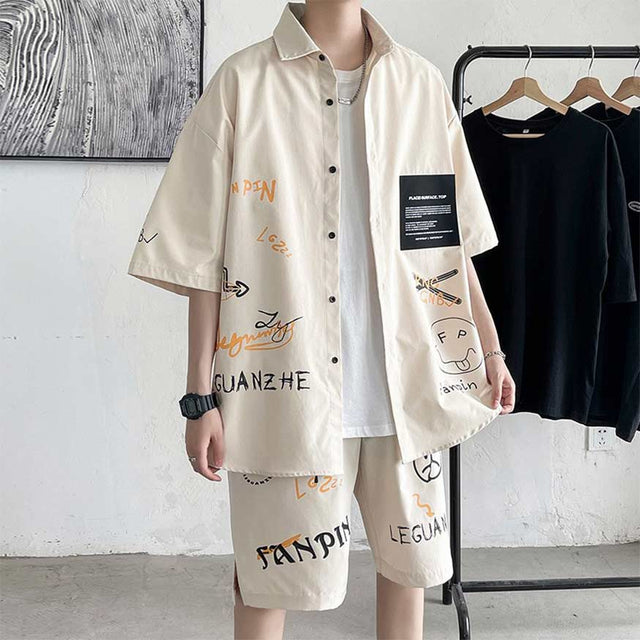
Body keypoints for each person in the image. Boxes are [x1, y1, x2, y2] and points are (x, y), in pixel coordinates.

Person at [127, 1, 516, 638]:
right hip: (284, 395)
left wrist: (489, 349)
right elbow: (202, 257)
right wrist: (199, 398)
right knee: (266, 584)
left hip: (407, 394)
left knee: (411, 576)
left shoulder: (419, 86)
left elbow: (443, 243)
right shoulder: (243, 83)